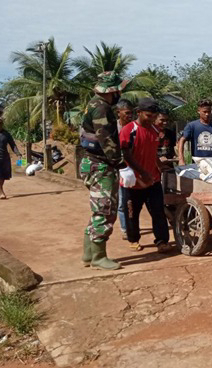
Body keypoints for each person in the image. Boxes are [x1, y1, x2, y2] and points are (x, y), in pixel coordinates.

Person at [79, 71, 129, 270]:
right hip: (100, 165)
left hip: (92, 163)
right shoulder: (101, 108)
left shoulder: (93, 103)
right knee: (104, 209)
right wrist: (121, 165)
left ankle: (88, 255)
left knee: (98, 209)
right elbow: (106, 141)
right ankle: (98, 257)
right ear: (112, 90)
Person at [119, 98, 171, 253]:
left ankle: (162, 241)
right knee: (132, 213)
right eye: (148, 116)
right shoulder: (129, 130)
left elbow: (152, 152)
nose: (152, 119)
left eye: (154, 116)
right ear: (139, 113)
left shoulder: (155, 131)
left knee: (158, 211)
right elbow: (126, 155)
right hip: (133, 181)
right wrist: (142, 173)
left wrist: (159, 167)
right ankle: (133, 239)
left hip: (153, 180)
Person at [177, 99, 212, 166]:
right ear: (199, 111)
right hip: (198, 164)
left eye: (209, 112)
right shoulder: (192, 126)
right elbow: (181, 140)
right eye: (204, 112)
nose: (207, 114)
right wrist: (181, 159)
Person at [114, 99, 135, 240]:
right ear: (118, 113)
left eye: (131, 113)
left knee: (133, 200)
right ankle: (124, 228)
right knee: (122, 201)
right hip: (118, 167)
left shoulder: (134, 128)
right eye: (127, 113)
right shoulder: (112, 129)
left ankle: (133, 225)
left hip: (132, 167)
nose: (130, 116)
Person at [0, 114, 22, 199]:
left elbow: (13, 145)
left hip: (5, 158)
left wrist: (18, 154)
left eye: (0, 123)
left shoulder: (6, 134)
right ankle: (1, 192)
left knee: (3, 176)